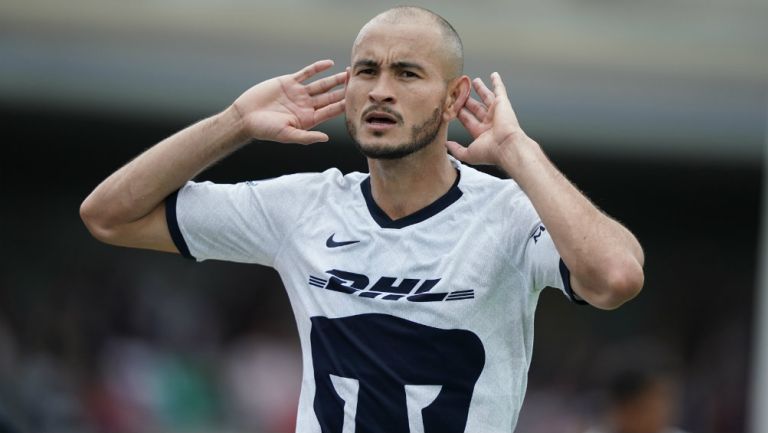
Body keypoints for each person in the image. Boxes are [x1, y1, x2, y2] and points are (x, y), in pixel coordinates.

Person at [80, 6, 644, 433]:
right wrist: (235, 123)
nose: (380, 91)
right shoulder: (302, 207)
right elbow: (109, 217)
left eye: (406, 74)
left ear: (454, 100)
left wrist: (518, 151)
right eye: (367, 71)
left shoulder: (510, 216)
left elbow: (616, 277)